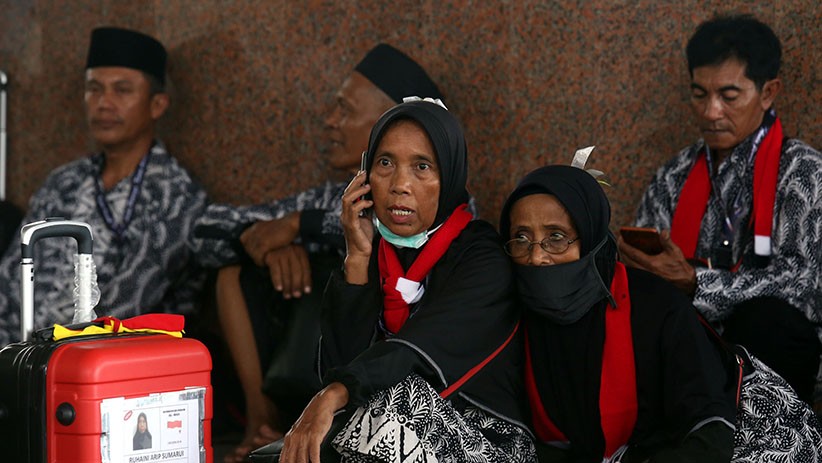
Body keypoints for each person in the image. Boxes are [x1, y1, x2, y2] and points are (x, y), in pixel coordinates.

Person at [187, 44, 451, 461]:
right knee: (232, 273)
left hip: (400, 386)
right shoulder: (331, 195)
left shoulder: (444, 198)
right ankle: (263, 423)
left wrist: (301, 226)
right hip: (319, 364)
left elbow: (405, 233)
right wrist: (271, 246)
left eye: (345, 110)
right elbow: (202, 232)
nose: (330, 121)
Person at [252, 99, 534, 463]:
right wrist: (356, 257)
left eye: (422, 167)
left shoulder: (482, 258)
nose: (400, 185)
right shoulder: (375, 247)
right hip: (377, 430)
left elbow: (412, 353)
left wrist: (334, 394)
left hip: (486, 439)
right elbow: (339, 363)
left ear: (449, 176)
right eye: (385, 164)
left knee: (397, 395)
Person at [501, 164, 822, 462]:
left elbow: (710, 434)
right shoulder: (511, 316)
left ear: (591, 238)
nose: (536, 257)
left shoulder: (654, 305)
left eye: (556, 237)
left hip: (746, 434)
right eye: (521, 238)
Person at [617, 14, 822, 406]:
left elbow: (804, 289)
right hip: (687, 341)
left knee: (772, 323)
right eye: (699, 94)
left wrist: (697, 284)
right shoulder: (673, 176)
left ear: (767, 93)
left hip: (768, 350)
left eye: (729, 97)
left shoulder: (804, 172)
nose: (711, 112)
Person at [0, 27, 207, 345]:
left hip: (100, 369)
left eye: (122, 90)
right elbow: (10, 280)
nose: (104, 103)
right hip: (17, 358)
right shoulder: (63, 182)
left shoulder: (175, 197)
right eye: (94, 89)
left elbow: (126, 308)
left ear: (157, 105)